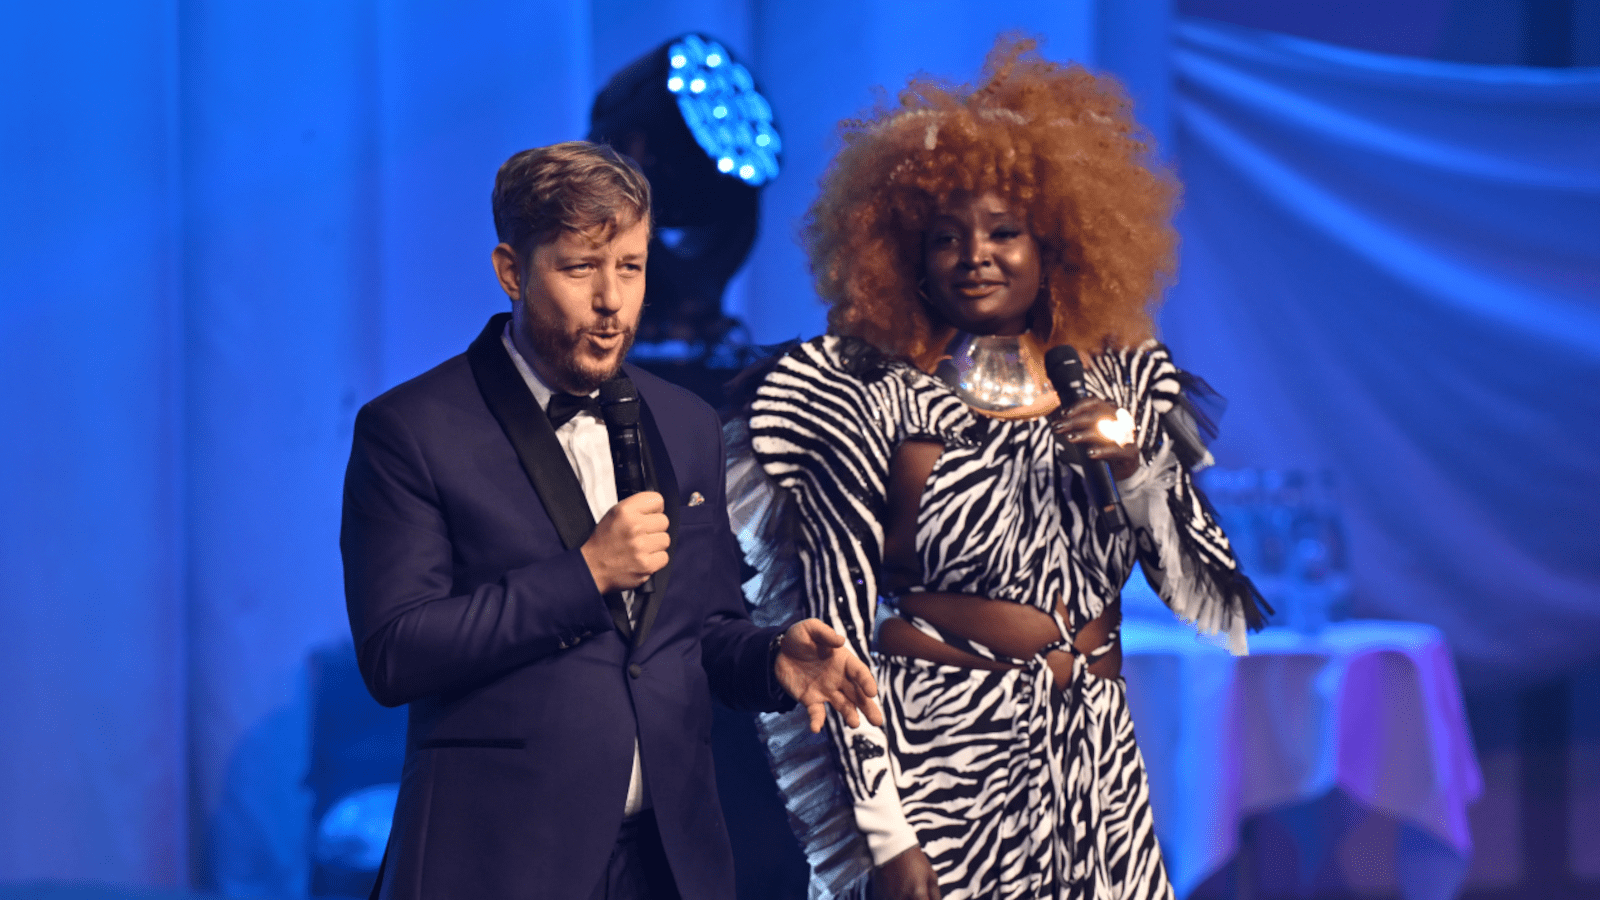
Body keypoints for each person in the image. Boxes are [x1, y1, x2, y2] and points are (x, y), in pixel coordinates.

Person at [733, 38, 1268, 899]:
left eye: (1003, 232)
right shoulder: (862, 397)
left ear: (1056, 241)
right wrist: (883, 837)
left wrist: (1134, 467)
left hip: (1096, 771)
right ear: (906, 253)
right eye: (946, 237)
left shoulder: (1120, 383)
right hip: (939, 763)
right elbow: (830, 639)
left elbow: (1210, 599)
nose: (975, 255)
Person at [339, 141, 881, 900]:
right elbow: (395, 653)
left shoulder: (686, 422)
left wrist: (770, 660)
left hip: (668, 863)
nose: (611, 301)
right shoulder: (411, 430)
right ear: (511, 271)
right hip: (498, 860)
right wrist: (585, 574)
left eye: (629, 266)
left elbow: (698, 629)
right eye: (579, 268)